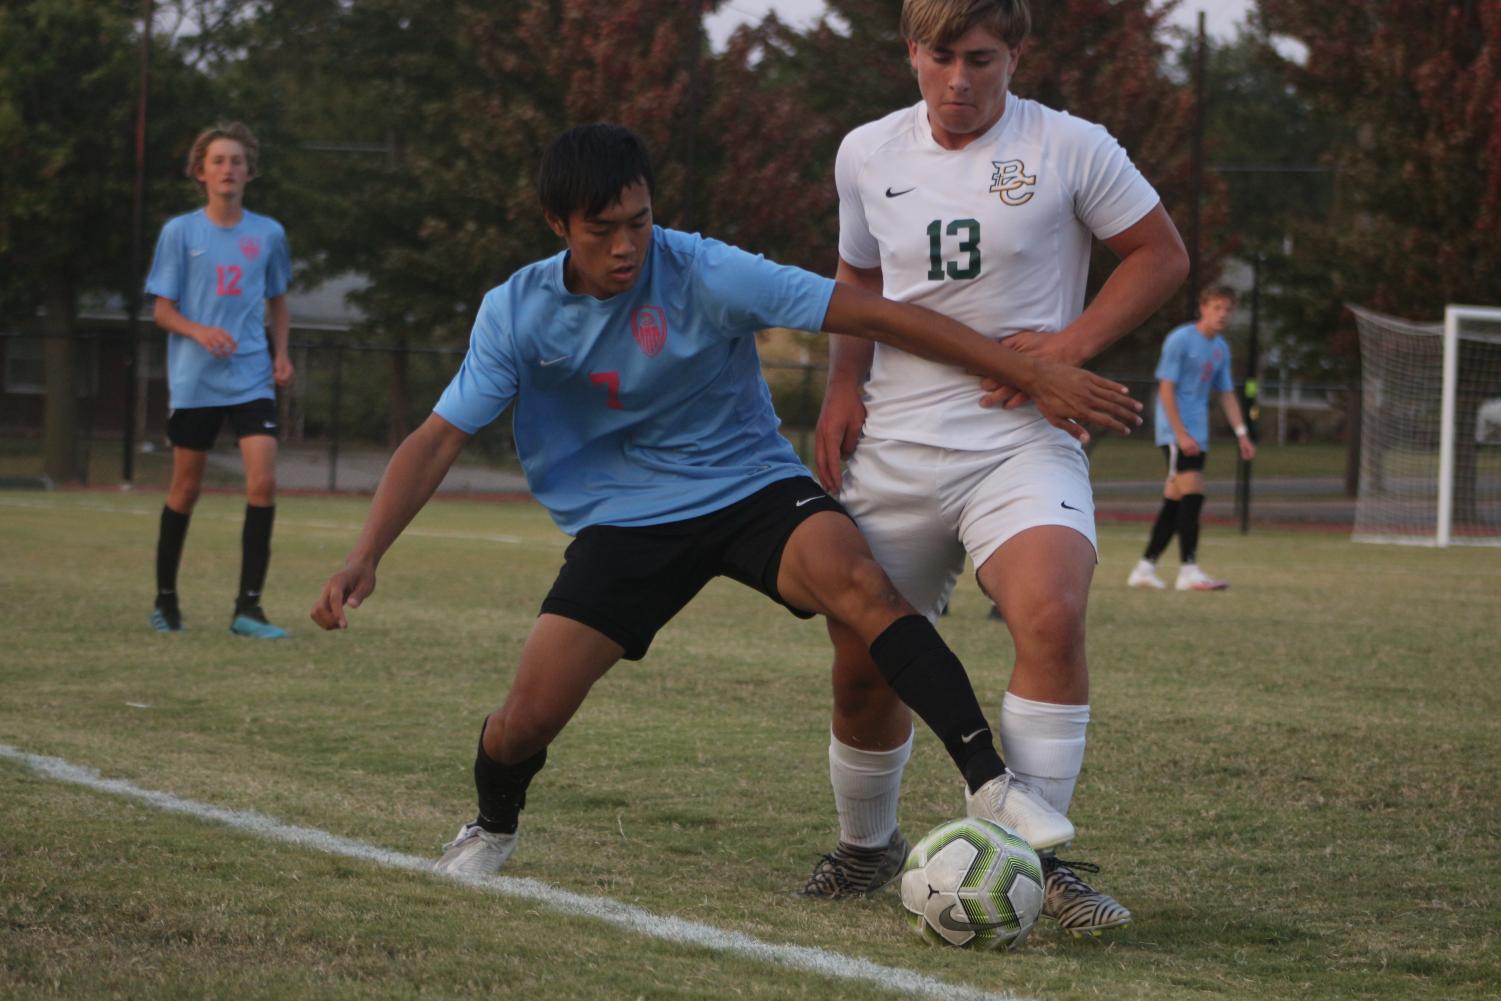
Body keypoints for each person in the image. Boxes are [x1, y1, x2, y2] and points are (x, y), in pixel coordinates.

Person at [309, 124, 1144, 880]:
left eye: (638, 220)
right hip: (623, 522)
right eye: (602, 228)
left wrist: (1027, 368)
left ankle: (989, 784)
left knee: (865, 590)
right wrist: (365, 553)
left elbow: (879, 314)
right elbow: (435, 439)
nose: (627, 244)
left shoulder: (705, 269)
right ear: (556, 223)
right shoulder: (517, 311)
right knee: (525, 720)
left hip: (748, 487)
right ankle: (491, 826)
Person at [802, 0, 1188, 938]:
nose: (959, 81)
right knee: (862, 666)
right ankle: (866, 847)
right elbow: (856, 280)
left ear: (1016, 52)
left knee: (1050, 611)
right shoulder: (865, 152)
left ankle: (1039, 866)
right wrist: (841, 386)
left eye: (981, 59)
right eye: (940, 58)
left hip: (1017, 436)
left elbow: (1159, 254)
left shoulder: (1070, 146)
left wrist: (1065, 349)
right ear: (910, 52)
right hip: (891, 439)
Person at [145, 122, 294, 638]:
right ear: (200, 172)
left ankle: (247, 609)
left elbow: (278, 300)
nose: (228, 169)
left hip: (251, 374)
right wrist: (199, 330)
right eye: (218, 160)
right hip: (196, 380)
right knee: (186, 489)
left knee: (264, 481)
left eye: (237, 161)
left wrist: (282, 355)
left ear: (250, 172)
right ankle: (166, 601)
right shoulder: (180, 233)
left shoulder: (269, 233)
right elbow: (162, 311)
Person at [1127, 286, 1256, 591]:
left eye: (1228, 309)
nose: (1222, 314)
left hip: (1198, 434)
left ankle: (1145, 568)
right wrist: (1180, 434)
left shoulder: (1221, 349)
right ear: (1203, 307)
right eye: (1217, 308)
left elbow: (1225, 393)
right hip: (1177, 434)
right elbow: (1166, 390)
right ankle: (1189, 570)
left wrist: (1242, 434)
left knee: (1175, 504)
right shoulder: (1180, 340)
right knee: (1194, 494)